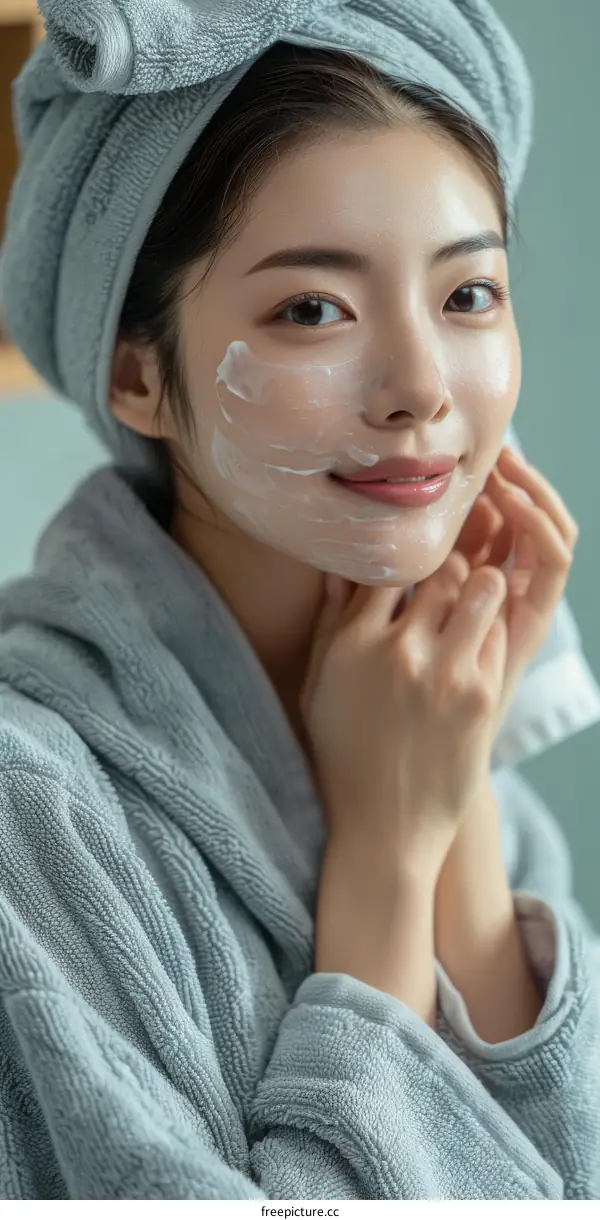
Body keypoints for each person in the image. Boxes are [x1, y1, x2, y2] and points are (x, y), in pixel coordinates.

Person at [0, 0, 599, 1202]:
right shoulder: (30, 810)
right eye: (312, 309)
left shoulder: (460, 769)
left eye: (468, 294)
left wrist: (455, 809)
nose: (422, 388)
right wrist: (384, 857)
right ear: (139, 375)